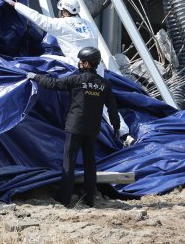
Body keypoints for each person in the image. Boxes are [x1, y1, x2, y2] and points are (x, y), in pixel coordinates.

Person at [26, 46, 119, 208]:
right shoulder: (104, 84)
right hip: (92, 129)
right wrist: (116, 127)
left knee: (69, 162)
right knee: (90, 164)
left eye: (81, 61)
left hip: (75, 127)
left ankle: (65, 198)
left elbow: (53, 83)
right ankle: (89, 198)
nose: (79, 64)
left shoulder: (76, 80)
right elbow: (112, 108)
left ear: (88, 64)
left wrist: (35, 76)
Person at [3, 0, 98, 66]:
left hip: (77, 65)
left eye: (61, 11)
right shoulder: (89, 24)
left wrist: (16, 4)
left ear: (65, 12)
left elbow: (36, 17)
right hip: (97, 67)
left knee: (42, 59)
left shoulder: (62, 24)